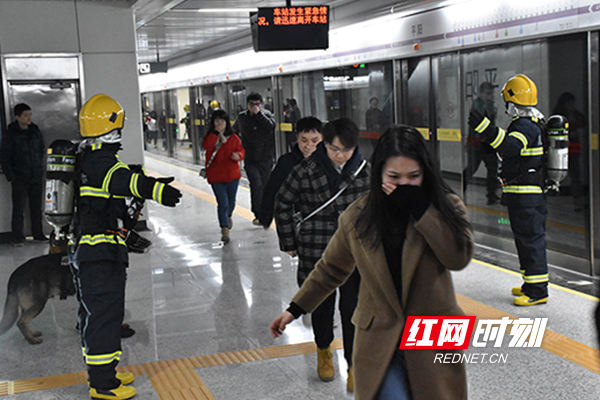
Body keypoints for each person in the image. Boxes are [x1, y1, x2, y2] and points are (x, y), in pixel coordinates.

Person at [270, 125, 473, 400]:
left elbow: (457, 257)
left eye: (413, 176)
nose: (403, 184)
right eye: (394, 176)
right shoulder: (359, 216)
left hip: (433, 333)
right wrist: (295, 308)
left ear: (426, 173)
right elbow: (331, 268)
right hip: (380, 336)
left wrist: (422, 210)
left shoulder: (446, 206)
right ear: (378, 174)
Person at [72, 94, 182, 400]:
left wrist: (148, 181)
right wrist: (155, 189)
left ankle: (104, 373)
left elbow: (119, 180)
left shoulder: (87, 155)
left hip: (95, 251)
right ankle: (102, 385)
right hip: (99, 254)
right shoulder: (99, 161)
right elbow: (120, 181)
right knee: (105, 316)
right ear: (112, 125)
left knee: (97, 314)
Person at [273, 118, 370, 392]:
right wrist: (289, 241)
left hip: (355, 253)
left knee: (353, 310)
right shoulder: (305, 170)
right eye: (333, 149)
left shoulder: (366, 173)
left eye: (345, 150)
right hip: (318, 250)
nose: (339, 155)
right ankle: (324, 348)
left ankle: (353, 364)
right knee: (321, 306)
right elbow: (282, 201)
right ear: (324, 145)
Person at [469, 74, 549, 306]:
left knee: (530, 240)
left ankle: (537, 291)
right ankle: (530, 282)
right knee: (526, 239)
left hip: (526, 195)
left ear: (512, 102)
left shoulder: (525, 125)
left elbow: (511, 147)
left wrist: (485, 128)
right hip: (524, 194)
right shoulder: (532, 122)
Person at [259, 116, 323, 228]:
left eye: (315, 140)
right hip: (296, 219)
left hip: (324, 218)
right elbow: (272, 189)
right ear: (297, 138)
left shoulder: (330, 161)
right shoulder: (286, 162)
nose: (309, 145)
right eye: (304, 140)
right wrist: (266, 216)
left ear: (322, 138)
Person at [0, 103, 47, 246]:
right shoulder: (11, 134)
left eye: (30, 115)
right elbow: (5, 156)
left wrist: (39, 165)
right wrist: (11, 176)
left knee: (36, 207)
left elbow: (41, 148)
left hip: (36, 174)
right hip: (20, 176)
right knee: (19, 208)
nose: (28, 118)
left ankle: (38, 234)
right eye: (25, 115)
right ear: (18, 117)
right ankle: (17, 237)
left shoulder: (34, 130)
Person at [202, 109, 245, 244]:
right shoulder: (210, 137)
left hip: (232, 175)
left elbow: (241, 150)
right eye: (217, 121)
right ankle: (224, 228)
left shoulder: (234, 138)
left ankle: (228, 216)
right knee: (223, 202)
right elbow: (208, 146)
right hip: (216, 176)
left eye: (222, 121)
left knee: (231, 202)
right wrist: (216, 133)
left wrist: (239, 156)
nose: (220, 123)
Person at [233, 92, 276, 225]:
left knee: (265, 185)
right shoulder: (242, 117)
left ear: (261, 104)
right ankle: (258, 213)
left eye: (257, 104)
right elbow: (234, 131)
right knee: (256, 184)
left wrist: (259, 115)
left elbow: (271, 127)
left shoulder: (267, 115)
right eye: (252, 104)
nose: (254, 106)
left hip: (265, 157)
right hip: (250, 158)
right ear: (247, 104)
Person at [462, 82, 500, 205]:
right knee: (473, 168)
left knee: (492, 168)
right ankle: (462, 188)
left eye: (492, 93)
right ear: (482, 93)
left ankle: (491, 195)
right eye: (489, 93)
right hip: (477, 143)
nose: (492, 95)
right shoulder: (478, 105)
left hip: (487, 143)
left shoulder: (489, 105)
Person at [552, 92, 587, 210]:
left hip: (574, 149)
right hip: (562, 149)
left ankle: (578, 200)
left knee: (576, 174)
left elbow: (583, 122)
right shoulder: (559, 116)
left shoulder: (575, 114)